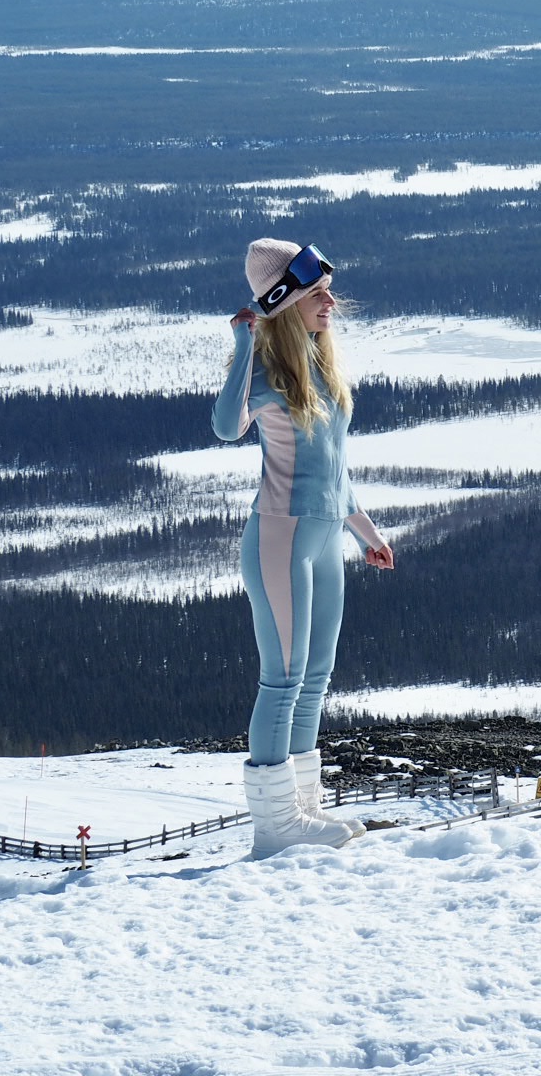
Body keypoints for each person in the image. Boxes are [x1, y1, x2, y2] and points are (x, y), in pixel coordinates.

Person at [212, 238, 394, 858]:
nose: (330, 303)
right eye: (316, 293)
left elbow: (334, 471)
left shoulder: (322, 366)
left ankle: (303, 810)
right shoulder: (266, 371)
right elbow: (225, 426)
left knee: (315, 677)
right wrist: (244, 344)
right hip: (280, 539)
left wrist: (367, 533)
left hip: (324, 540)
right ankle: (275, 825)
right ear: (284, 302)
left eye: (327, 291)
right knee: (283, 680)